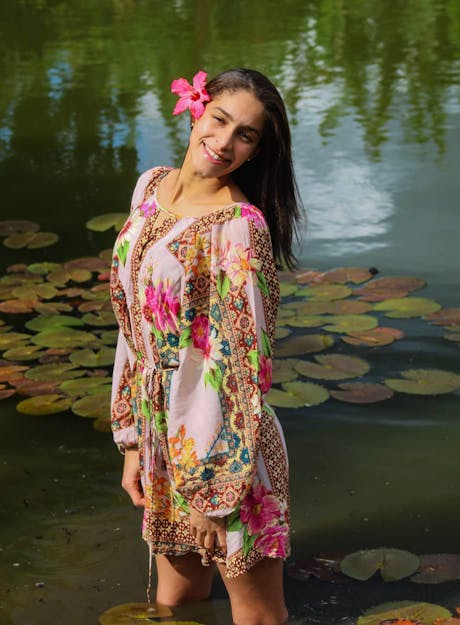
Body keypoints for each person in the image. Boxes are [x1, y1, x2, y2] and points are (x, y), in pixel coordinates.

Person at [110, 68, 302, 625]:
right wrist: (130, 440)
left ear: (257, 150)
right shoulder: (150, 185)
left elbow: (242, 366)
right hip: (157, 436)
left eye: (246, 135)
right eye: (219, 119)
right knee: (175, 604)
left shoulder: (240, 228)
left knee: (257, 615)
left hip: (225, 450)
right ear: (195, 108)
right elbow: (133, 326)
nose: (224, 142)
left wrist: (215, 493)